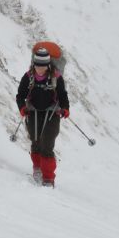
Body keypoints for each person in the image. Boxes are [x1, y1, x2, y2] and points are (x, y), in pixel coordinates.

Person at [16, 47, 69, 187]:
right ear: (34, 64)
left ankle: (48, 178)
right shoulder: (28, 77)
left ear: (48, 65)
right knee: (35, 141)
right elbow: (20, 95)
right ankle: (37, 168)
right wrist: (22, 107)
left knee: (47, 145)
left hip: (52, 114)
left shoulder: (56, 77)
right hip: (32, 112)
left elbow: (63, 95)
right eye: (37, 65)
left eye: (42, 66)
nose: (40, 69)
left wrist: (65, 108)